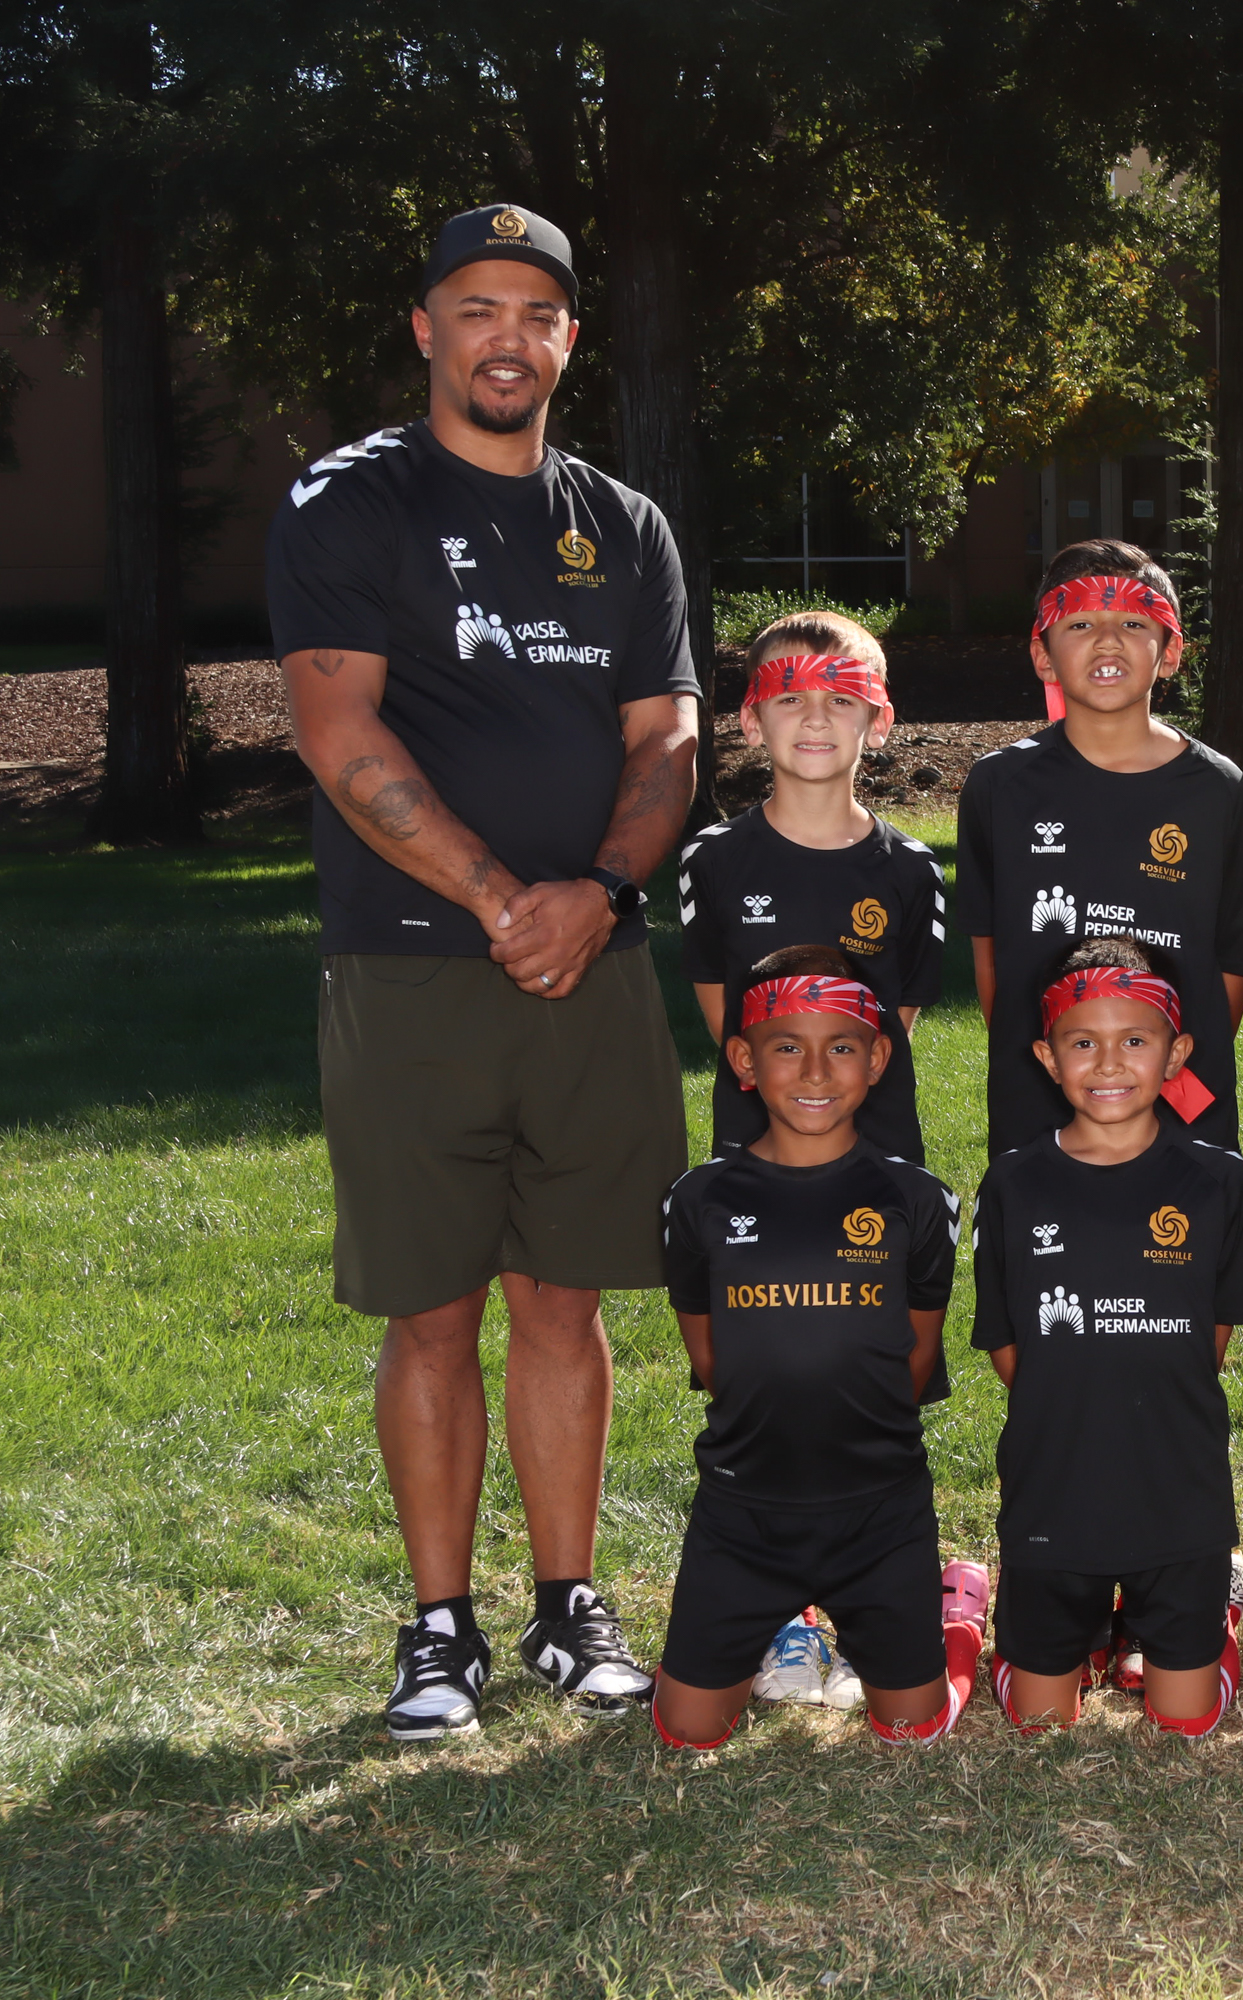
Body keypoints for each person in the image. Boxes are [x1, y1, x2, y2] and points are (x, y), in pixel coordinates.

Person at [268, 202, 701, 1740]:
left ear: (570, 338)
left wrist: (599, 895)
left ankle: (568, 1608)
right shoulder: (352, 501)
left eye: (536, 312)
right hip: (414, 968)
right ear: (426, 328)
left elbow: (668, 736)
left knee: (566, 1303)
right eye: (476, 308)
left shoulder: (623, 525)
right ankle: (438, 1626)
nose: (506, 338)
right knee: (434, 1310)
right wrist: (504, 900)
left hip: (595, 963)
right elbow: (338, 732)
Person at [651, 951, 984, 1748]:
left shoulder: (916, 1201)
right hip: (742, 1512)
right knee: (687, 1731)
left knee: (911, 1729)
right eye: (786, 1046)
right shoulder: (698, 1201)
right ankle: (783, 1620)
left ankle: (957, 1620)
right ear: (743, 1060)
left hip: (880, 1511)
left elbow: (913, 1359)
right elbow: (711, 1360)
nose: (814, 1071)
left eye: (840, 1046)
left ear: (877, 1058)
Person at [969, 938, 1243, 1738]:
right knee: (1040, 1725)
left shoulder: (1218, 1181)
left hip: (1179, 1496)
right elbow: (1008, 1345)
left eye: (1135, 1039)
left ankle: (1222, 1609)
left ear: (1177, 1053)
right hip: (1055, 1489)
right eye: (1082, 1042)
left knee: (1185, 1723)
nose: (1108, 1063)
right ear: (1046, 1056)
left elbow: (1208, 1341)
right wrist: (1074, 1394)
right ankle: (981, 1621)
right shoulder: (1014, 1183)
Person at [957, 542, 1243, 1159]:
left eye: (1132, 623)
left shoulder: (1218, 788)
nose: (1107, 641)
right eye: (1079, 625)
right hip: (1039, 1100)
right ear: (1043, 655)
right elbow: (991, 958)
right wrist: (1050, 1064)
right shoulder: (999, 785)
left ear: (1170, 652)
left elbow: (1233, 963)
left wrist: (1166, 1064)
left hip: (1180, 1103)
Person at [677, 611, 946, 1165]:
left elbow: (896, 1024)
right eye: (791, 697)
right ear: (752, 721)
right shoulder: (711, 859)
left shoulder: (914, 870)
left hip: (878, 1152)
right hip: (753, 1148)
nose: (816, 719)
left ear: (878, 721)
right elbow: (723, 1020)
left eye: (841, 699)